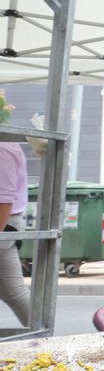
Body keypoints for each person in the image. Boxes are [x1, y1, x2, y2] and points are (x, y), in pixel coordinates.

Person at [0, 136, 31, 328]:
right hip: (8, 223)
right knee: (13, 291)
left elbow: (4, 199)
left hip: (5, 223)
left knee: (13, 291)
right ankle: (44, 339)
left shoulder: (3, 146)